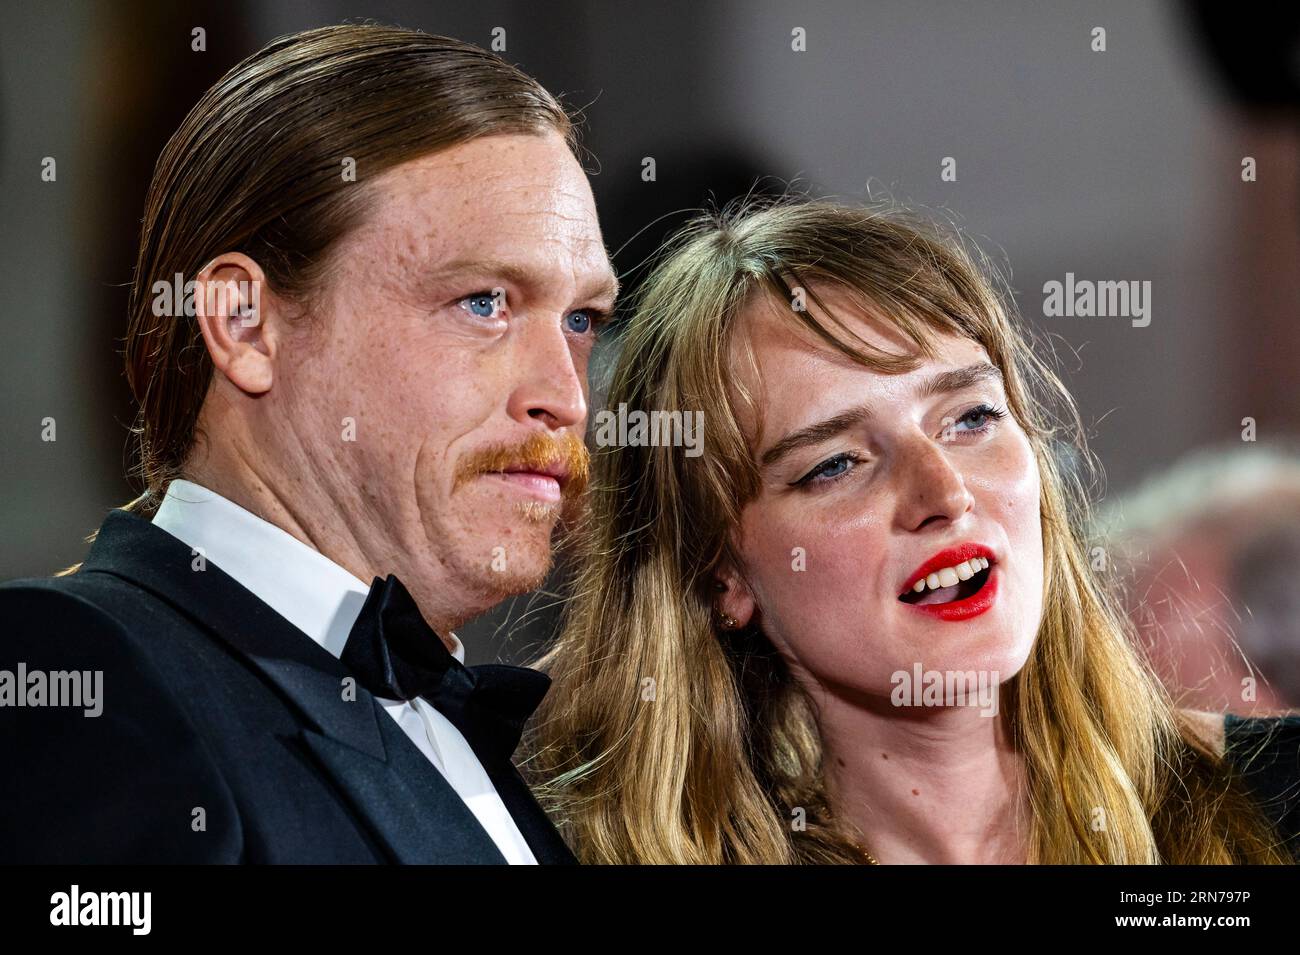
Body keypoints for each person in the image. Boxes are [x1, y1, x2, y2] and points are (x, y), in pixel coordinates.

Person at [0, 24, 617, 863]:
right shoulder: (80, 677)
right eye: (484, 302)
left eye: (582, 319)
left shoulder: (487, 745)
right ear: (245, 325)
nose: (566, 397)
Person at [528, 197, 1299, 864]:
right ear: (720, 573)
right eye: (835, 463)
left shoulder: (1277, 796)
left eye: (971, 417)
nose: (945, 491)